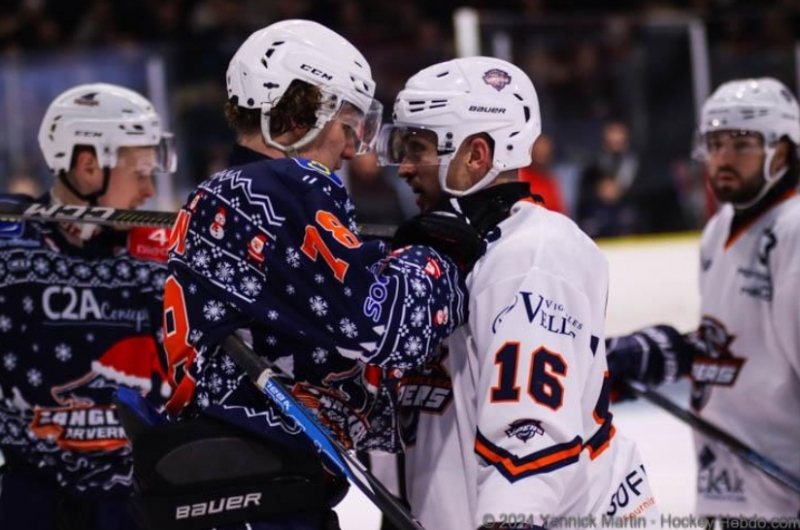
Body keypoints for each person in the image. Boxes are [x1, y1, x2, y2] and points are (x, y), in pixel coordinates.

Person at [119, 19, 480, 530]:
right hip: (260, 496)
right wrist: (438, 256)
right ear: (308, 108)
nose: (354, 148)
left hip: (225, 487)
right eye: (349, 122)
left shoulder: (220, 192)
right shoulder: (287, 187)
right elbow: (382, 325)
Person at [376, 56, 659, 530]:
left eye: (418, 147)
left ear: (476, 155)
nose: (404, 167)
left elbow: (531, 439)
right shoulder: (447, 250)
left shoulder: (534, 255)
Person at [606, 77, 800, 525]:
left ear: (784, 151)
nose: (723, 158)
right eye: (714, 144)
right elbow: (742, 344)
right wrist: (670, 353)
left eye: (741, 144)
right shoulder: (719, 229)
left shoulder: (792, 233)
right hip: (728, 487)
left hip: (784, 495)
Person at [0, 82, 176, 530]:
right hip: (32, 499)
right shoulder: (10, 251)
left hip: (139, 501)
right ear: (88, 165)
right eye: (139, 173)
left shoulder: (163, 253)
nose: (150, 190)